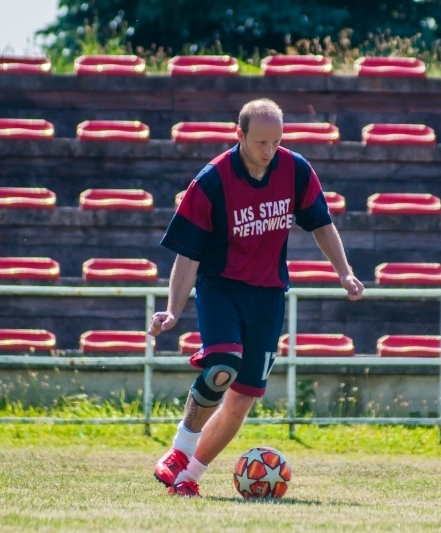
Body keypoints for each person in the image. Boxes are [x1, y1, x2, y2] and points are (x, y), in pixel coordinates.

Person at [148, 98, 364, 497]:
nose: (269, 151)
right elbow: (187, 253)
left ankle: (187, 479)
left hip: (268, 295)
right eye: (261, 142)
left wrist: (345, 273)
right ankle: (180, 450)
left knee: (242, 399)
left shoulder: (295, 169)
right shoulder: (213, 180)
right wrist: (173, 310)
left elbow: (321, 224)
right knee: (222, 368)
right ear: (240, 134)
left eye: (276, 142)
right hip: (221, 287)